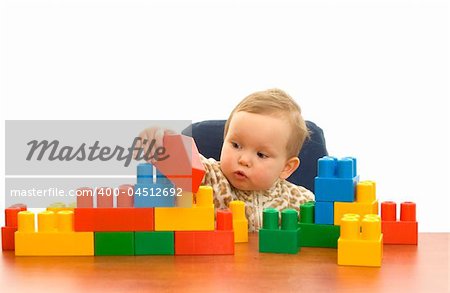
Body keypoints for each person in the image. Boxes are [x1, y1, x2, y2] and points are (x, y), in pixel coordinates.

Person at [137, 88, 315, 231]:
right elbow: (179, 158)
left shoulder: (300, 201)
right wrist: (159, 139)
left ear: (287, 167)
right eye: (236, 145)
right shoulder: (210, 177)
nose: (244, 159)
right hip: (214, 270)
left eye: (261, 154)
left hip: (273, 273)